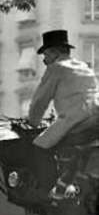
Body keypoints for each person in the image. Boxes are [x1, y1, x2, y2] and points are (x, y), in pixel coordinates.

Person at [28, 30, 99, 197]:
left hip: (76, 119)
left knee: (38, 146)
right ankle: (69, 179)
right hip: (95, 118)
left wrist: (33, 122)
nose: (44, 61)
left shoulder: (56, 68)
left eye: (45, 55)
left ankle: (51, 192)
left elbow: (40, 101)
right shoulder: (83, 66)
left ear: (55, 52)